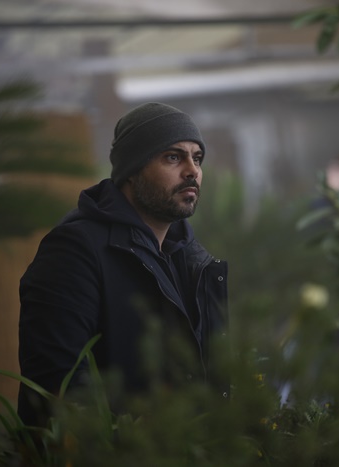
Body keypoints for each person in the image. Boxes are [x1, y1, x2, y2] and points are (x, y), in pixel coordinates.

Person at [17, 102, 229, 426]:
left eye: (197, 158)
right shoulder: (74, 250)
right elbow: (57, 385)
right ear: (132, 169)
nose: (192, 171)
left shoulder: (191, 259)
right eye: (173, 157)